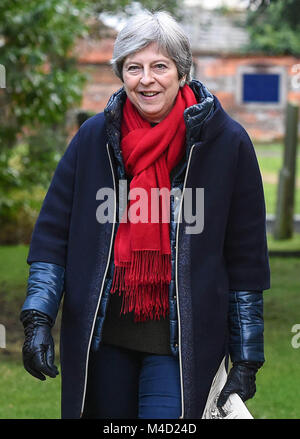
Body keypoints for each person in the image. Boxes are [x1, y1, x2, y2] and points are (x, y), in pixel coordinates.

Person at [20, 10, 270, 419]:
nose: (146, 79)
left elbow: (246, 260)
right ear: (121, 73)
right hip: (102, 341)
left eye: (159, 66)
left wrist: (245, 357)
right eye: (133, 67)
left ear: (182, 72)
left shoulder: (227, 143)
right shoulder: (93, 138)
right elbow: (53, 238)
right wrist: (38, 318)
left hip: (183, 346)